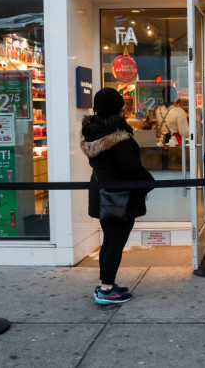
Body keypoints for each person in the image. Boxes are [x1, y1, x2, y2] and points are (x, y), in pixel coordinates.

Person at [81, 87, 155, 304]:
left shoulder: (92, 131)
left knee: (109, 240)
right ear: (118, 110)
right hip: (119, 197)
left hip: (103, 193)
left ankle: (107, 283)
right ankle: (106, 289)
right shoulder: (119, 138)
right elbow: (130, 168)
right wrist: (149, 181)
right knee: (115, 242)